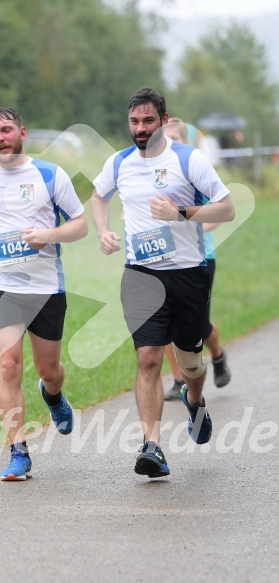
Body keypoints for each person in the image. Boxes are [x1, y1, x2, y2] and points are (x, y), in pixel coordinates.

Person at [91, 87, 235, 479]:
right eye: (134, 121)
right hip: (141, 273)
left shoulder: (188, 158)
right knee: (148, 358)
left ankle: (196, 400)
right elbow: (98, 196)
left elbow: (227, 205)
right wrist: (103, 230)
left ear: (163, 119)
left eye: (148, 121)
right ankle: (151, 445)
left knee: (190, 362)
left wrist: (181, 212)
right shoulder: (119, 162)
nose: (140, 128)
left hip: (189, 273)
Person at [0, 107, 88, 481]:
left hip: (47, 288)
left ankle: (52, 395)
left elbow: (80, 225)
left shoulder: (50, 174)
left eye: (6, 130)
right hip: (2, 287)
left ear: (22, 132)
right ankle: (19, 452)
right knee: (8, 366)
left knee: (49, 369)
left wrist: (48, 235)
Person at [162, 118, 231, 400]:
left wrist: (192, 226)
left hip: (200, 257)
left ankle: (217, 354)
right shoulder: (153, 172)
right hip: (163, 258)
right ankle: (178, 380)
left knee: (198, 327)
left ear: (186, 142)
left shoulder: (196, 169)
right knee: (166, 323)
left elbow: (218, 212)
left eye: (175, 138)